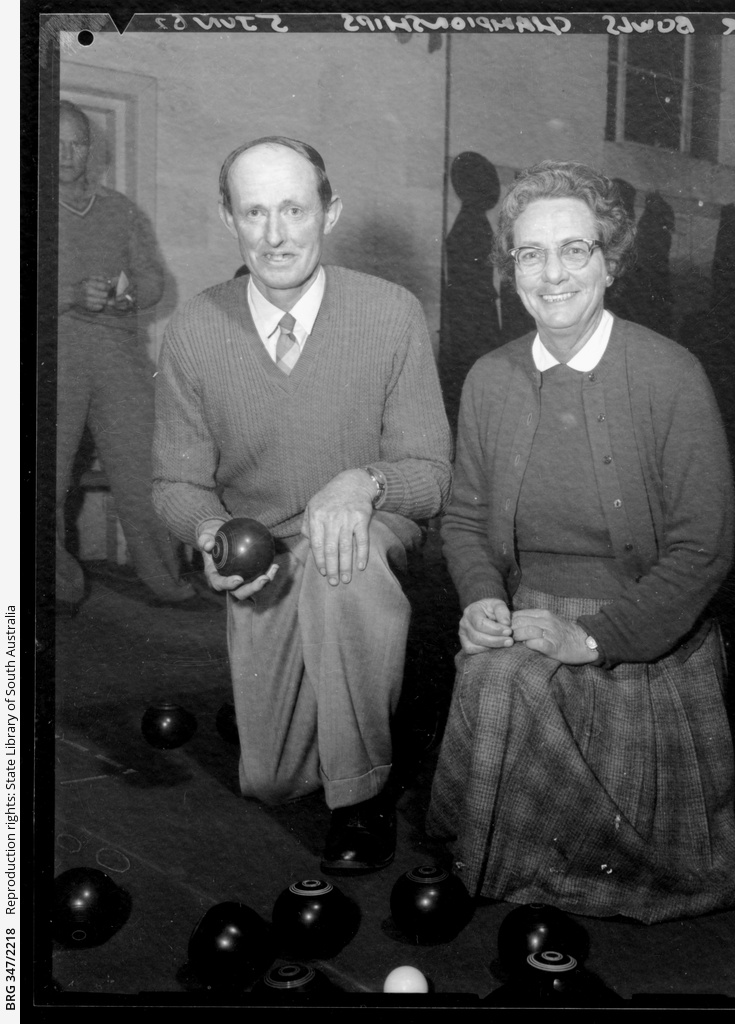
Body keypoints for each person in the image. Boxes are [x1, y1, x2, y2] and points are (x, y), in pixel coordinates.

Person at [426, 161, 735, 923]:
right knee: (496, 673)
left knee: (514, 685)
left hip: (645, 629)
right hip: (526, 609)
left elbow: (703, 548)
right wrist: (481, 598)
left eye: (574, 250)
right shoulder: (488, 378)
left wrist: (592, 638)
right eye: (530, 254)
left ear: (610, 262)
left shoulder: (671, 374)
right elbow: (468, 521)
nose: (552, 273)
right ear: (510, 271)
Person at [152, 136, 452, 873]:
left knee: (341, 559)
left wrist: (365, 484)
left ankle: (363, 798)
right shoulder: (195, 329)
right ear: (229, 219)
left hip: (364, 531)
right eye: (255, 211)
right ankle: (323, 710)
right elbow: (173, 485)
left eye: (294, 208)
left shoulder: (391, 313)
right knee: (274, 781)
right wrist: (213, 531)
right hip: (266, 552)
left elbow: (432, 473)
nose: (276, 233)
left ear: (330, 212)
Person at [56, 100, 200, 611]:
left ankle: (167, 582)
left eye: (77, 143)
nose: (68, 153)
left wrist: (128, 296)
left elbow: (153, 279)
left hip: (119, 357)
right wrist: (69, 293)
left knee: (146, 474)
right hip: (53, 359)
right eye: (57, 141)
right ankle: (55, 589)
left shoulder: (119, 210)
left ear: (90, 149)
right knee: (40, 480)